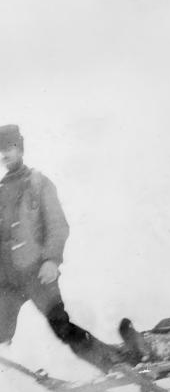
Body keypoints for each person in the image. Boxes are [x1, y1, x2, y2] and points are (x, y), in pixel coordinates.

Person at [0, 125, 124, 372]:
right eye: (1, 149)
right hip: (8, 279)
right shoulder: (1, 190)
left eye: (10, 147)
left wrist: (51, 261)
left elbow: (58, 226)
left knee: (61, 327)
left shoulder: (39, 183)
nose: (5, 154)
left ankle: (115, 363)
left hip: (37, 272)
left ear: (21, 149)